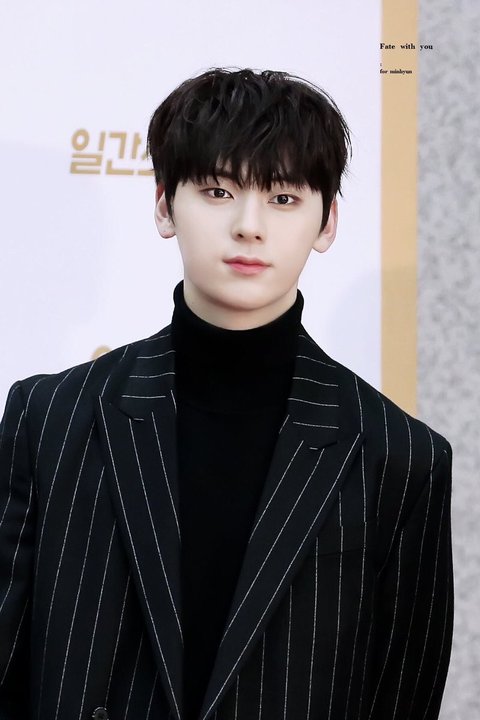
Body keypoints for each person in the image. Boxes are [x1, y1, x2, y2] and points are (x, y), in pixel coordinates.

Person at [0, 68, 453, 720]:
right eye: (217, 190)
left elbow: (401, 696)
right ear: (164, 205)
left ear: (327, 222)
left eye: (284, 197)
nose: (248, 226)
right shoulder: (51, 418)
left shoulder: (400, 456)